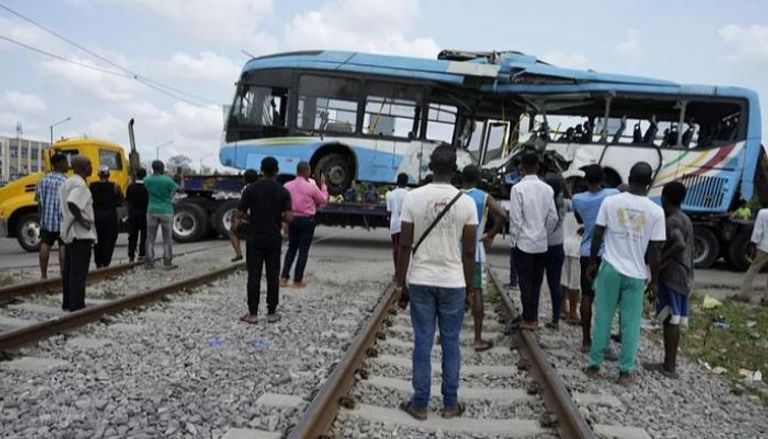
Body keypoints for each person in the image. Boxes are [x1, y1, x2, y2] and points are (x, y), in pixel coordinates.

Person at [395, 144, 477, 421]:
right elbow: (468, 251)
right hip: (453, 281)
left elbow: (404, 244)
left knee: (423, 341)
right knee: (451, 342)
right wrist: (469, 287)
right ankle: (450, 404)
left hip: (420, 280)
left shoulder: (412, 198)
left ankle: (419, 404)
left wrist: (400, 283)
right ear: (455, 170)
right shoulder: (466, 202)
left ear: (430, 167)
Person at [584, 162, 665, 386]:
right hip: (637, 274)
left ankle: (594, 365)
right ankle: (626, 371)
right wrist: (654, 281)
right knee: (630, 324)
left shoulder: (610, 202)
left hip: (610, 267)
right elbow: (656, 251)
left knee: (603, 317)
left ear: (628, 177)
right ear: (649, 182)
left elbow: (598, 232)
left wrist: (592, 262)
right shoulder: (656, 211)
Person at [235, 157, 292, 324]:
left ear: (261, 169)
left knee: (254, 275)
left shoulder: (250, 189)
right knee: (273, 275)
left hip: (255, 237)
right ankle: (271, 312)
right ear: (277, 171)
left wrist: (253, 215)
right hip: (273, 238)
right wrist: (277, 215)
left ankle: (252, 314)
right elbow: (289, 216)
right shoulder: (283, 191)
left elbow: (240, 214)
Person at [572, 165, 620, 351]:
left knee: (586, 296)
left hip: (586, 252)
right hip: (606, 254)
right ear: (603, 180)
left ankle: (585, 340)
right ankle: (603, 341)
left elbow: (580, 218)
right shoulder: (611, 194)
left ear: (585, 180)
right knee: (605, 300)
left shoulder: (578, 199)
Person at [509, 153, 559, 330]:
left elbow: (515, 219)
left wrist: (513, 240)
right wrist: (544, 232)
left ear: (522, 167)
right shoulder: (547, 189)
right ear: (538, 166)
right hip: (541, 243)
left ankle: (529, 319)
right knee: (536, 282)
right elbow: (553, 217)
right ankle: (532, 316)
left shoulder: (517, 189)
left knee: (525, 282)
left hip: (523, 243)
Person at [651, 181, 694, 379]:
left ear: (664, 197)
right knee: (672, 318)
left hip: (673, 275)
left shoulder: (672, 221)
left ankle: (669, 365)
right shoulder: (685, 218)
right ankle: (669, 363)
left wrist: (661, 262)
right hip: (684, 274)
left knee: (670, 319)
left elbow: (679, 243)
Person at [462, 164, 505, 351]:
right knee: (477, 291)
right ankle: (478, 339)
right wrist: (491, 234)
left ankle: (446, 334)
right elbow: (503, 214)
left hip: (456, 250)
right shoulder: (484, 196)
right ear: (478, 179)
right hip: (476, 250)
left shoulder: (456, 195)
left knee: (454, 293)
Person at [280, 162, 328, 288]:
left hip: (292, 220)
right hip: (307, 221)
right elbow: (323, 200)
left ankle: (284, 278)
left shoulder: (287, 186)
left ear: (297, 171)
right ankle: (297, 280)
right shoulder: (310, 187)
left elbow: (282, 204)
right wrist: (323, 185)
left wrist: (284, 221)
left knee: (291, 248)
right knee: (303, 251)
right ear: (307, 172)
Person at [59, 155, 96, 312]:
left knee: (69, 271)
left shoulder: (67, 182)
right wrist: (82, 220)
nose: (91, 167)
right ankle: (77, 306)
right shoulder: (81, 185)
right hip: (81, 234)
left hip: (69, 232)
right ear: (81, 168)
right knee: (79, 272)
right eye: (89, 164)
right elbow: (72, 203)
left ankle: (67, 302)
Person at [543, 175, 571, 329]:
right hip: (558, 247)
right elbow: (574, 202)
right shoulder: (565, 203)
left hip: (541, 246)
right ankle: (555, 317)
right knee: (555, 284)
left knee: (536, 281)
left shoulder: (544, 203)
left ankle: (531, 315)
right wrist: (565, 187)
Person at [35, 153, 68, 279]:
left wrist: (41, 217)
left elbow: (39, 201)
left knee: (45, 245)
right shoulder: (66, 182)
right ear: (58, 164)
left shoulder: (43, 180)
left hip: (46, 221)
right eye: (65, 162)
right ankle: (62, 275)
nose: (67, 165)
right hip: (62, 221)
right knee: (63, 246)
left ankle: (43, 275)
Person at [144, 160, 179, 270]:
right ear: (162, 168)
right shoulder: (167, 180)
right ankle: (167, 262)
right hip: (166, 211)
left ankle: (149, 263)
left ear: (153, 168)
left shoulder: (147, 180)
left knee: (150, 238)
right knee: (167, 238)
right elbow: (179, 189)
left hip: (152, 210)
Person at [90, 165, 122, 268]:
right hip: (110, 216)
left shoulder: (92, 185)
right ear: (109, 175)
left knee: (97, 240)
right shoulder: (115, 186)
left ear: (98, 175)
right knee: (109, 239)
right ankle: (106, 261)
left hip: (96, 215)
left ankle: (98, 262)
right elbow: (121, 198)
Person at [738, 204, 768, 306]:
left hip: (764, 247)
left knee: (753, 269)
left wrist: (753, 244)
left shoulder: (763, 213)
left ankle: (744, 294)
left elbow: (758, 231)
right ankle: (766, 299)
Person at [228, 169, 260, 262]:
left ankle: (239, 254)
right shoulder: (262, 188)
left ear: (245, 179)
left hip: (252, 220)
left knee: (232, 231)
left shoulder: (247, 189)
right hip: (264, 220)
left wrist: (237, 219)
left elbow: (243, 209)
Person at [387, 173, 409, 271]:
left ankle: (396, 270)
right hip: (405, 225)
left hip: (394, 224)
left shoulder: (391, 194)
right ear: (406, 182)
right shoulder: (409, 194)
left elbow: (389, 211)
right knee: (404, 249)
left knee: (395, 248)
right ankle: (402, 271)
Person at [125, 168, 149, 263]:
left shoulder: (130, 187)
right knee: (144, 235)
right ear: (145, 175)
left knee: (132, 235)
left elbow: (127, 202)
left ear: (136, 175)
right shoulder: (147, 187)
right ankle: (142, 254)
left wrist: (128, 214)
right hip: (145, 213)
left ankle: (131, 255)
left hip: (133, 214)